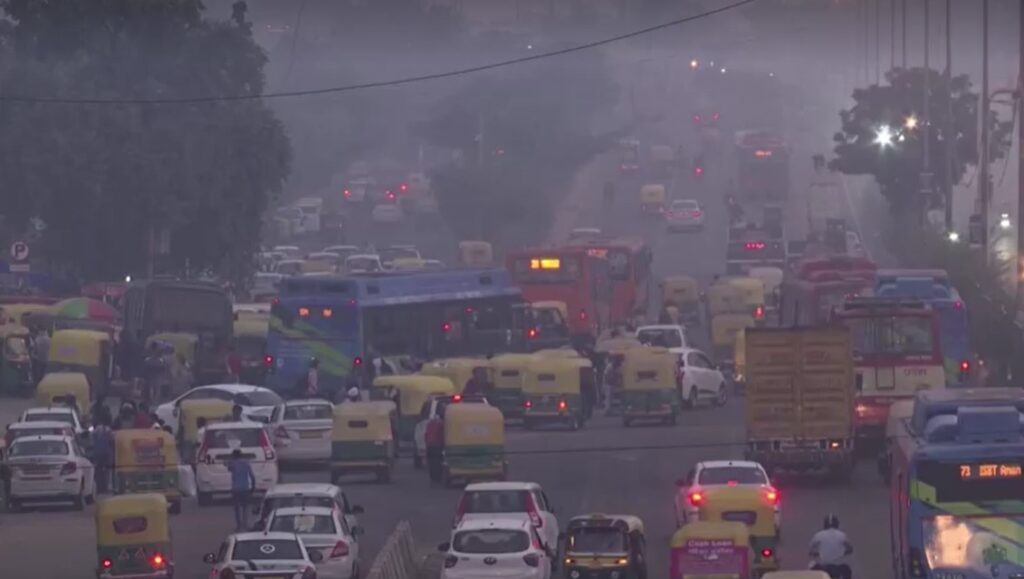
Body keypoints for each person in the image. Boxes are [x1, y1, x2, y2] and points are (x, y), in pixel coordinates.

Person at [809, 514, 853, 579]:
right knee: (847, 570)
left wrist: (816, 553)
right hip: (838, 566)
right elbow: (850, 548)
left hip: (823, 566)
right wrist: (844, 552)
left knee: (811, 566)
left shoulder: (818, 535)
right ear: (837, 524)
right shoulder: (842, 535)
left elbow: (811, 549)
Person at [226, 448, 256, 531]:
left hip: (235, 489)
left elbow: (229, 469)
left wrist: (228, 462)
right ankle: (245, 524)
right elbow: (252, 476)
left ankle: (239, 525)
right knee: (245, 507)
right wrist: (253, 487)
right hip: (245, 488)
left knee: (237, 508)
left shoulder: (232, 464)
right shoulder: (246, 463)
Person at [91, 416, 114, 494]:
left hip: (97, 453)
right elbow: (112, 441)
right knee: (106, 471)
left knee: (98, 471)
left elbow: (91, 443)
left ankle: (99, 488)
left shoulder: (94, 431)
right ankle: (105, 487)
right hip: (106, 453)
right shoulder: (108, 430)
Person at [424, 406, 445, 483]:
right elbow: (442, 435)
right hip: (437, 445)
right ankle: (437, 476)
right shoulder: (441, 424)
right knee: (438, 461)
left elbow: (426, 435)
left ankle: (433, 477)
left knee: (431, 462)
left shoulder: (429, 424)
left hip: (430, 445)